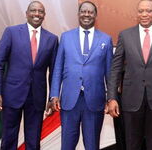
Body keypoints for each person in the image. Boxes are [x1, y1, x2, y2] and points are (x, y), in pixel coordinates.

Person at [106, 0, 152, 149]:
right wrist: (112, 97)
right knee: (132, 144)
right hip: (131, 99)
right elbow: (115, 69)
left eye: (148, 11)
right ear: (137, 13)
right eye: (141, 11)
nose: (144, 14)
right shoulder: (125, 35)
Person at [0, 1, 58, 149]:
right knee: (9, 138)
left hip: (37, 97)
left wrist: (52, 97)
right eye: (33, 10)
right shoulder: (11, 32)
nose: (37, 14)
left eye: (40, 11)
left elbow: (54, 72)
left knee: (33, 141)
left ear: (44, 15)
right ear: (26, 13)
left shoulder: (52, 39)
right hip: (11, 94)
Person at [49, 1, 113, 150]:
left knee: (92, 145)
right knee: (67, 145)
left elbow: (109, 73)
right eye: (83, 11)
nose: (86, 14)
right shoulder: (65, 37)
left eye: (90, 12)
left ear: (96, 16)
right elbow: (57, 68)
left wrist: (111, 98)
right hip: (70, 100)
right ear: (78, 14)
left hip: (94, 101)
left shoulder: (106, 39)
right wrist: (54, 94)